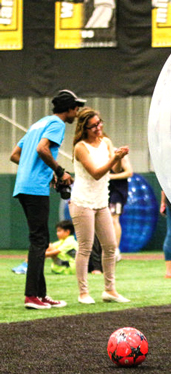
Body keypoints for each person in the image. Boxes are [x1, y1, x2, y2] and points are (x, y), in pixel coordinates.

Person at [10, 89, 85, 309]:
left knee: (40, 239)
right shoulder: (57, 125)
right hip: (34, 189)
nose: (77, 111)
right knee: (39, 241)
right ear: (69, 109)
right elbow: (42, 149)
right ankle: (32, 296)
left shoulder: (38, 123)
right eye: (76, 107)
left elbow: (15, 154)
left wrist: (42, 172)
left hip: (25, 186)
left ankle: (41, 295)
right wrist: (60, 171)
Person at [70, 107, 130, 304]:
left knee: (111, 246)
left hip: (101, 201)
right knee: (85, 247)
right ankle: (83, 293)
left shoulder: (106, 142)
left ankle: (110, 290)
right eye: (93, 125)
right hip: (82, 201)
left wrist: (119, 158)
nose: (98, 127)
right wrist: (114, 158)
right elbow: (96, 173)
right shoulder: (80, 147)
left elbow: (115, 169)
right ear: (85, 128)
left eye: (99, 123)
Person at [108, 145, 133, 262]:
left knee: (114, 219)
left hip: (117, 192)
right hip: (104, 191)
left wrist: (111, 176)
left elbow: (129, 172)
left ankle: (116, 250)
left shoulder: (117, 153)